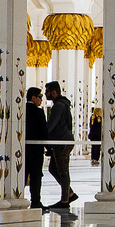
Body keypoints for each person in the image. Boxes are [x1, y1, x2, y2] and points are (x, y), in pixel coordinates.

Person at [44, 81, 76, 209]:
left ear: (54, 92)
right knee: (53, 169)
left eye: (47, 91)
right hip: (62, 141)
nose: (45, 94)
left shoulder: (59, 106)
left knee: (63, 171)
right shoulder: (62, 104)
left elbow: (51, 125)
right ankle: (69, 193)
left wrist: (43, 133)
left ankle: (65, 200)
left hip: (62, 142)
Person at [25, 86, 47, 210]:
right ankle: (36, 201)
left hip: (22, 149)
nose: (41, 100)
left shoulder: (21, 110)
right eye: (40, 97)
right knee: (36, 176)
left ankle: (17, 197)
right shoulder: (38, 112)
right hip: (36, 150)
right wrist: (48, 146)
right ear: (33, 98)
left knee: (22, 174)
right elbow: (43, 130)